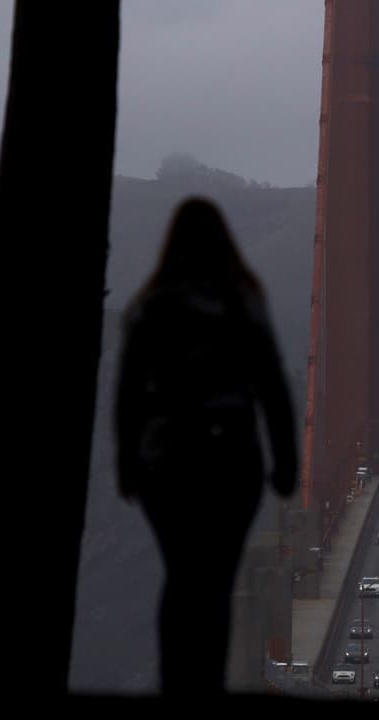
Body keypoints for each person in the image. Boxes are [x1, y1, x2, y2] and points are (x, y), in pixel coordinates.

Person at [116, 197, 298, 695]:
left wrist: (127, 461)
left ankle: (174, 683)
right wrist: (286, 463)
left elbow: (128, 394)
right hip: (231, 461)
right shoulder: (243, 301)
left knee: (180, 574)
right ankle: (208, 686)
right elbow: (273, 388)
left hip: (166, 462)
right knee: (217, 580)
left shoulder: (150, 305)